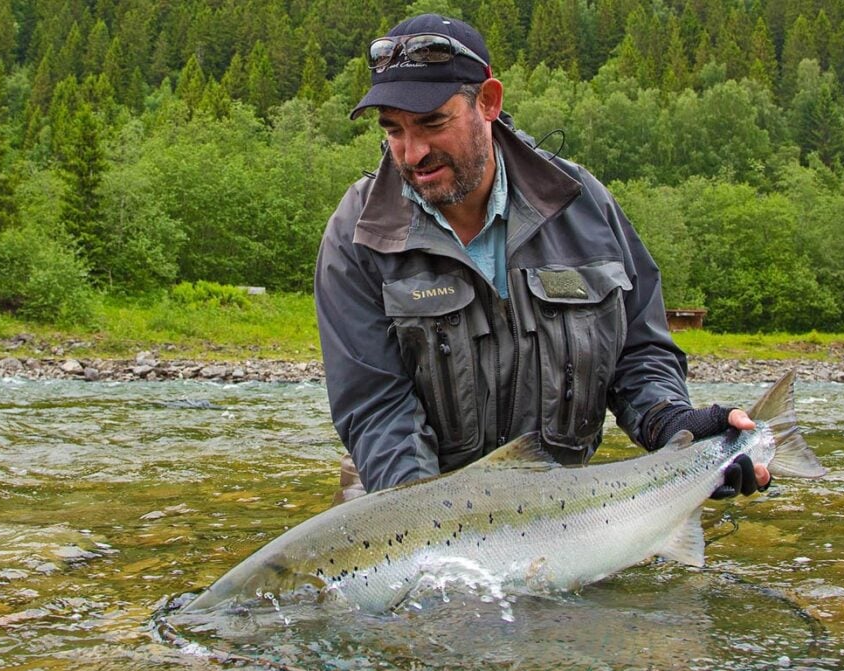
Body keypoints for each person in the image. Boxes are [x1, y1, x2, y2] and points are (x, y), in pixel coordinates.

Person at [314, 14, 770, 501]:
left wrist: (675, 427)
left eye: (432, 123)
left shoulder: (580, 204)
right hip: (406, 506)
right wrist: (435, 527)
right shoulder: (358, 234)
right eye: (394, 130)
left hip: (559, 510)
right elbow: (376, 408)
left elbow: (639, 352)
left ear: (488, 102)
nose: (412, 152)